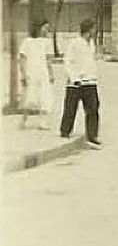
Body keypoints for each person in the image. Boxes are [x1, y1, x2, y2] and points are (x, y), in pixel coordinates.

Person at [61, 19, 102, 149]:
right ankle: (65, 131)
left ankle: (92, 135)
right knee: (70, 108)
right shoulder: (74, 43)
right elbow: (67, 61)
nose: (95, 31)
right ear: (89, 30)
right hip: (76, 82)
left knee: (93, 108)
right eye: (94, 29)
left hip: (90, 81)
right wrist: (74, 78)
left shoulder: (91, 44)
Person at [18, 20, 55, 130]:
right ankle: (23, 120)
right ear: (38, 28)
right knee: (29, 96)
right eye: (44, 28)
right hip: (31, 72)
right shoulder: (27, 41)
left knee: (44, 96)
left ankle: (43, 122)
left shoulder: (47, 42)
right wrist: (23, 74)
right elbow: (22, 59)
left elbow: (48, 61)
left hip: (43, 72)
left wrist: (51, 74)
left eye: (48, 28)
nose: (46, 30)